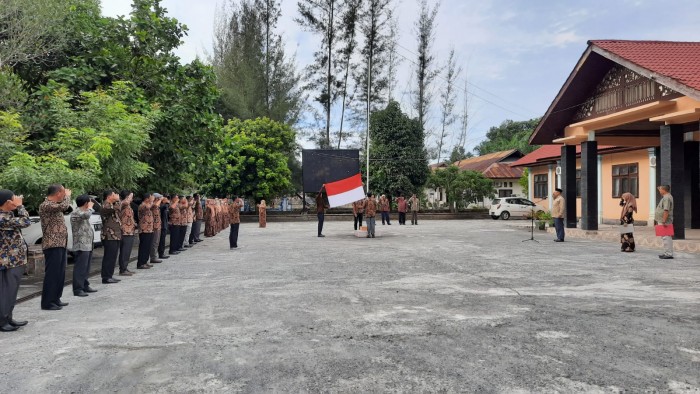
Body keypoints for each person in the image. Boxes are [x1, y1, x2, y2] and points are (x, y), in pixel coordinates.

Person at [0, 190, 31, 331]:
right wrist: (20, 206)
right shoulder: (2, 217)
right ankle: (3, 321)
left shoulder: (8, 214)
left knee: (11, 291)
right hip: (8, 261)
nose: (17, 201)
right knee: (7, 291)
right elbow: (26, 221)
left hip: (15, 259)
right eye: (14, 200)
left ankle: (8, 318)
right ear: (7, 202)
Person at [39, 184, 72, 311]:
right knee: (52, 274)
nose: (65, 195)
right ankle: (48, 302)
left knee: (60, 273)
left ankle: (56, 298)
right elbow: (64, 206)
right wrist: (68, 197)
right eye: (63, 193)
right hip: (52, 243)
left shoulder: (55, 206)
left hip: (60, 243)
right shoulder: (46, 204)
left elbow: (63, 207)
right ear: (58, 193)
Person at [70, 195, 97, 297]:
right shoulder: (76, 212)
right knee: (80, 267)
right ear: (86, 203)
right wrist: (89, 207)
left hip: (88, 243)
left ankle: (85, 285)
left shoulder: (83, 212)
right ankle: (78, 288)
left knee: (86, 267)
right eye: (89, 202)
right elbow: (86, 215)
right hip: (81, 244)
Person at [100, 190, 122, 284]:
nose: (116, 196)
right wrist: (117, 200)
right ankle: (106, 277)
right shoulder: (105, 205)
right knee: (109, 257)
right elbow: (116, 207)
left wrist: (116, 200)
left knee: (113, 256)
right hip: (109, 235)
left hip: (115, 235)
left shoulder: (112, 204)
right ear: (109, 196)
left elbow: (119, 208)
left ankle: (110, 275)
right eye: (114, 195)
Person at [117, 190, 135, 276]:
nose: (132, 198)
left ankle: (125, 267)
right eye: (131, 197)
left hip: (130, 230)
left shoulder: (128, 205)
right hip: (125, 231)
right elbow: (124, 203)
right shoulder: (123, 203)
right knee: (125, 250)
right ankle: (123, 269)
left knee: (127, 251)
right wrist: (128, 197)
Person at [655, 185, 674, 259]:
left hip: (665, 220)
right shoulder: (667, 197)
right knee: (665, 237)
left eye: (660, 189)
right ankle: (667, 252)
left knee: (666, 237)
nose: (659, 191)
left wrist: (664, 220)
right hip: (663, 220)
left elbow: (666, 210)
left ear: (664, 190)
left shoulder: (667, 198)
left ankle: (668, 254)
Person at [137, 193, 155, 269]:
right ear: (147, 199)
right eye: (150, 198)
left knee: (147, 246)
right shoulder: (142, 205)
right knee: (143, 247)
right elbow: (148, 207)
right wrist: (152, 201)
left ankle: (145, 261)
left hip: (149, 229)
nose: (152, 199)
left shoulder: (147, 205)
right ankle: (141, 263)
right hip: (144, 229)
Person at [150, 194, 164, 264]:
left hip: (157, 225)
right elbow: (155, 206)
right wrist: (160, 199)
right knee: (154, 242)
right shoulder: (152, 205)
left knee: (156, 242)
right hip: (154, 226)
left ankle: (155, 256)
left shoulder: (156, 205)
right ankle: (153, 257)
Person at [157, 195, 170, 260]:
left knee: (163, 240)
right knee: (161, 241)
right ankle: (161, 253)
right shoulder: (161, 206)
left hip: (164, 224)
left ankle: (162, 252)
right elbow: (163, 207)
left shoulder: (164, 206)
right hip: (161, 225)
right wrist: (165, 202)